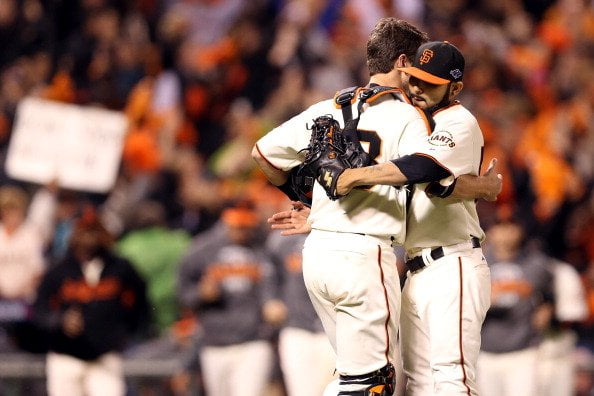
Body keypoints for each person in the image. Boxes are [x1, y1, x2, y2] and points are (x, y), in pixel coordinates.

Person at [253, 19, 500, 395]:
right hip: (384, 259)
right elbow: (428, 178)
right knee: (381, 381)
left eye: (428, 82)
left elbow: (430, 176)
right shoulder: (409, 117)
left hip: (450, 260)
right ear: (403, 65)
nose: (417, 87)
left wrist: (332, 196)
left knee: (430, 378)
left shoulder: (451, 118)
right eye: (415, 76)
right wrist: (324, 206)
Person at [33, 209, 149, 396]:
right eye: (84, 232)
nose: (89, 238)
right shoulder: (59, 269)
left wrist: (124, 331)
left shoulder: (120, 268)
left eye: (94, 231)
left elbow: (140, 302)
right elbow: (40, 309)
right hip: (66, 356)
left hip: (104, 355)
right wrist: (60, 320)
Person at [176, 201, 284, 396]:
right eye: (237, 226)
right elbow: (182, 295)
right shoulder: (201, 250)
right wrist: (200, 294)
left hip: (254, 342)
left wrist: (272, 304)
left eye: (246, 226)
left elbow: (272, 289)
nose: (241, 231)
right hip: (214, 343)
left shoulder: (263, 250)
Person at [477, 217, 554, 396]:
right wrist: (483, 302)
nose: (506, 233)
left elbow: (551, 291)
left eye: (511, 226)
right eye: (500, 226)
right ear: (490, 232)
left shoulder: (536, 263)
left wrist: (548, 307)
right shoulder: (477, 264)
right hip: (486, 352)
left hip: (523, 352)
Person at [266, 231, 336, 396]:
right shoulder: (281, 239)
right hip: (296, 327)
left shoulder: (342, 232)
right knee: (301, 391)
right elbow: (269, 276)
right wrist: (270, 300)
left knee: (333, 390)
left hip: (334, 328)